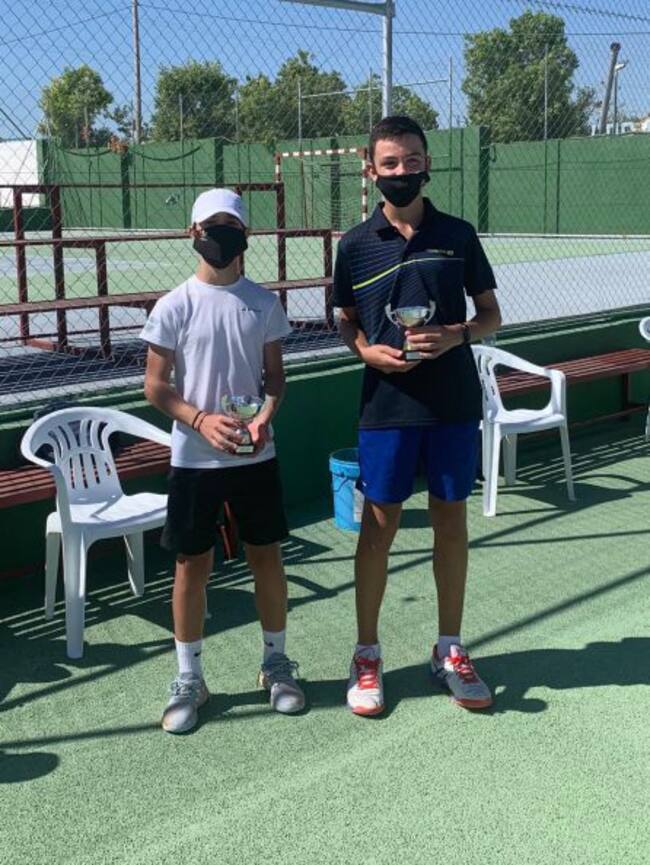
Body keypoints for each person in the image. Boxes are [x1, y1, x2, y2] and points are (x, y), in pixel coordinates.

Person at [332, 116, 502, 716]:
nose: (402, 172)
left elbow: (490, 316)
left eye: (411, 160)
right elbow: (344, 316)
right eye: (390, 163)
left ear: (426, 162)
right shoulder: (354, 245)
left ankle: (449, 648)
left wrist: (455, 335)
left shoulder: (458, 234)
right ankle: (367, 653)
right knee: (378, 529)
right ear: (372, 171)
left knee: (451, 523)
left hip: (452, 403)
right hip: (386, 405)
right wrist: (362, 349)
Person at [141, 188, 304, 733]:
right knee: (193, 565)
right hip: (194, 461)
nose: (220, 236)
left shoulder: (263, 303)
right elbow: (155, 387)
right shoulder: (174, 306)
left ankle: (276, 664)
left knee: (267, 557)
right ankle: (189, 678)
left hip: (256, 456)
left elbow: (275, 380)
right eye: (211, 226)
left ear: (246, 236)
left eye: (230, 226)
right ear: (193, 234)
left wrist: (265, 418)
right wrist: (199, 419)